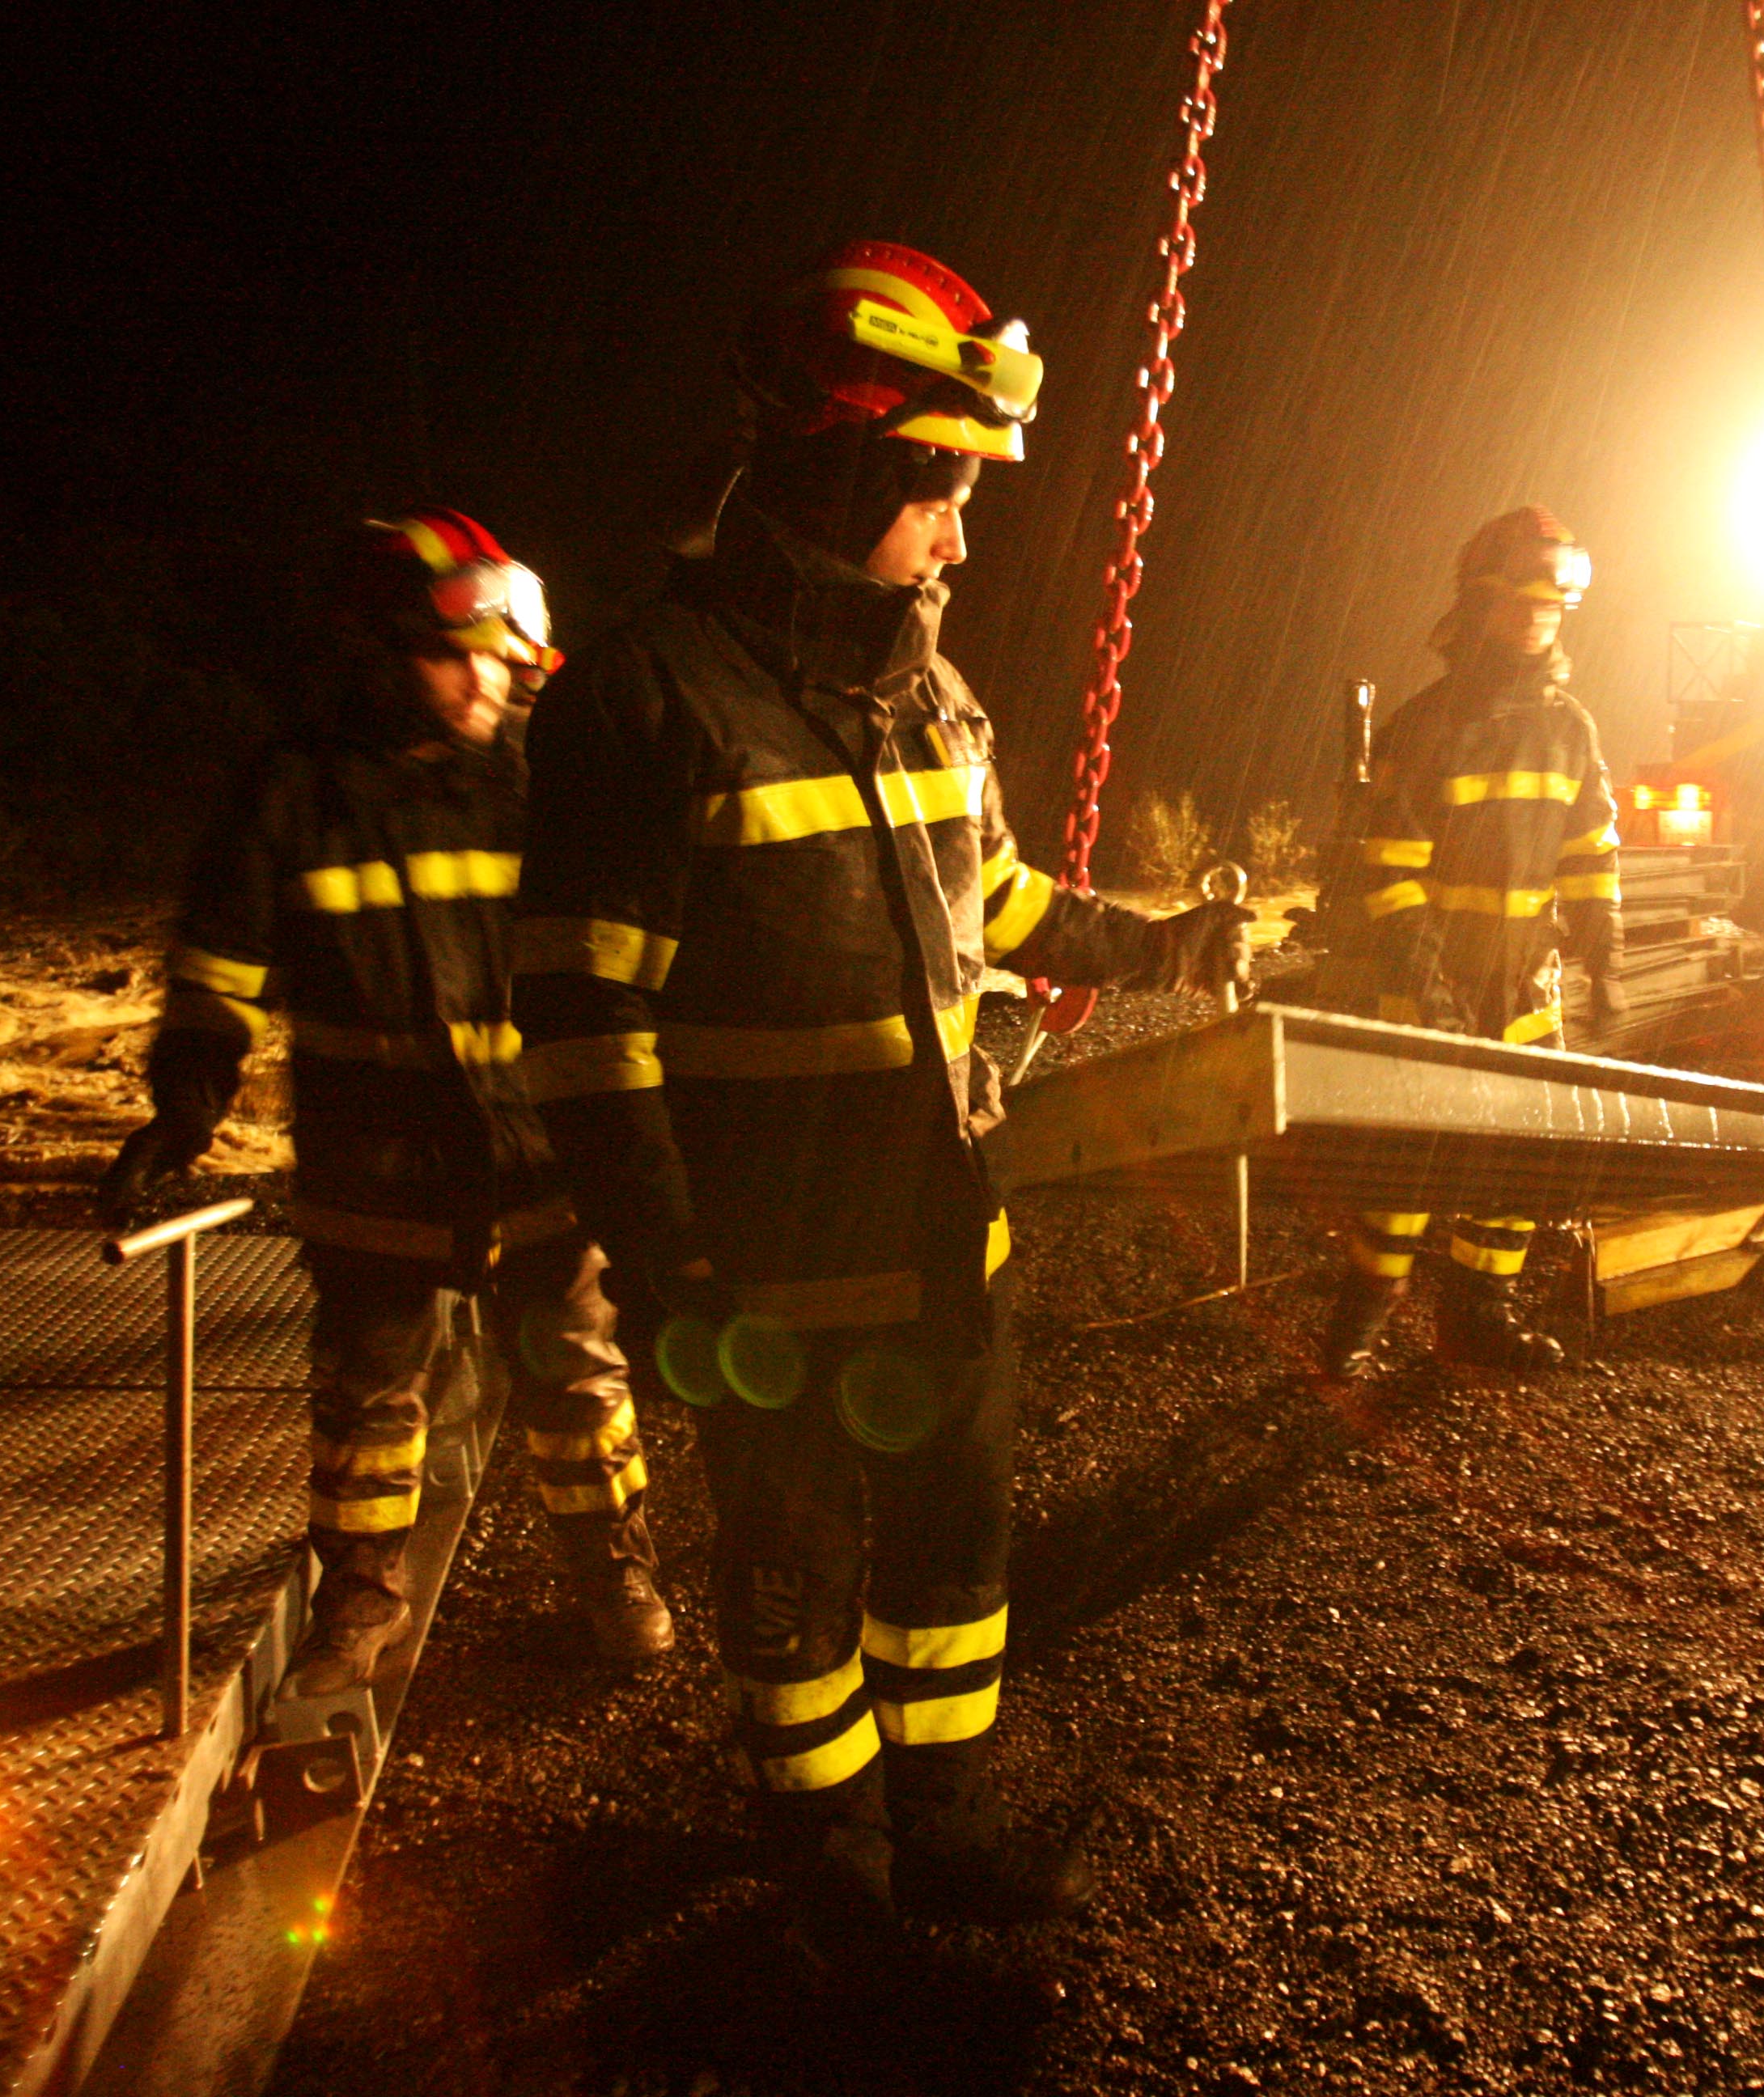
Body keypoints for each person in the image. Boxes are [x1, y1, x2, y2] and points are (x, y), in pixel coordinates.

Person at [508, 240, 1249, 1978]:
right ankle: (823, 1853)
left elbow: (998, 903)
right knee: (786, 1577)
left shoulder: (929, 694)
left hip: (940, 1245)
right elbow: (587, 1022)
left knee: (951, 1558)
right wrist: (668, 1261)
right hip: (758, 1281)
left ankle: (947, 1820)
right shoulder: (647, 703)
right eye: (943, 494)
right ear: (848, 468)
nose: (961, 541)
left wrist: (1162, 946)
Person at [102, 510, 676, 1697]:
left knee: (578, 1381)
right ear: (378, 655)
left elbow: (622, 952)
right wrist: (184, 1107)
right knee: (368, 1405)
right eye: (452, 658)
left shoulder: (539, 784)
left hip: (534, 1152)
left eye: (499, 661)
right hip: (376, 1168)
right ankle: (359, 1602)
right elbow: (219, 970)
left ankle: (614, 1574)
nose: (483, 683)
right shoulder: (296, 793)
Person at [1321, 505, 1623, 1378]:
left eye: (1550, 607)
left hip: (1524, 985)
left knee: (1519, 1159)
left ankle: (1477, 1320)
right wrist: (1428, 988)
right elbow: (1391, 876)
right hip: (1431, 984)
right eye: (1518, 603)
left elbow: (1590, 850)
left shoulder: (1571, 728)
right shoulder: (1429, 728)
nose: (1534, 620)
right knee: (1407, 1166)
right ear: (1478, 606)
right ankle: (1361, 1321)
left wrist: (1604, 955)